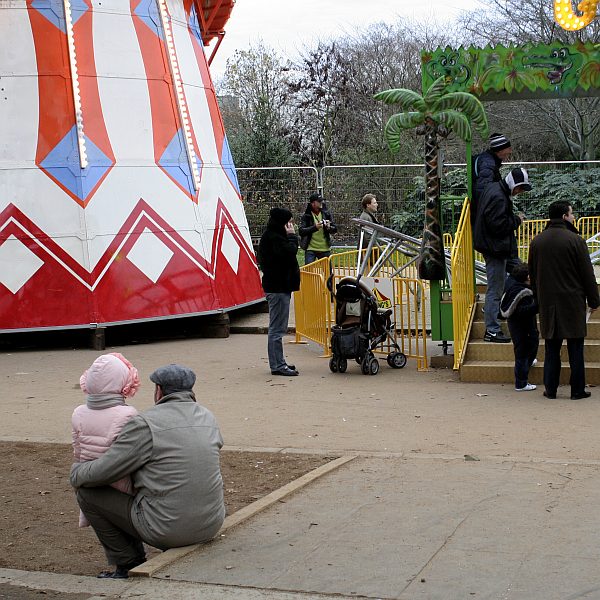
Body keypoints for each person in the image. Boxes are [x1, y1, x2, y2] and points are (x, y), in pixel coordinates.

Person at [70, 364, 225, 579]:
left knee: (88, 493)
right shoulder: (208, 417)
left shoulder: (145, 423)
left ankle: (128, 562)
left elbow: (105, 471)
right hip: (210, 524)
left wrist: (77, 473)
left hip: (168, 530)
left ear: (158, 390)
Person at [528, 201, 600, 400]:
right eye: (572, 213)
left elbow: (533, 276)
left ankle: (550, 389)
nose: (574, 216)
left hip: (548, 304)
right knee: (576, 349)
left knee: (552, 349)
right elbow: (587, 275)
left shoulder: (537, 242)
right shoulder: (576, 241)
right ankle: (577, 390)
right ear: (564, 216)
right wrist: (594, 300)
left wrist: (537, 299)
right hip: (572, 303)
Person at [72, 353, 140, 528]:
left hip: (89, 481)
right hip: (121, 486)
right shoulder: (128, 414)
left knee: (106, 533)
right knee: (125, 533)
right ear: (124, 382)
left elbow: (77, 451)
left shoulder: (78, 413)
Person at [473, 167, 531, 343]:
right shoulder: (499, 196)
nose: (519, 192)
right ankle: (491, 329)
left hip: (499, 247)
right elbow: (498, 225)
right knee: (495, 289)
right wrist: (517, 220)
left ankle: (497, 310)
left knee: (522, 273)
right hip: (496, 249)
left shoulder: (495, 189)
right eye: (520, 188)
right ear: (514, 184)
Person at [258, 207, 300, 376]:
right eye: (288, 222)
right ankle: (277, 365)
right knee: (277, 329)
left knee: (278, 327)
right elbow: (289, 253)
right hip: (277, 288)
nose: (290, 225)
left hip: (280, 286)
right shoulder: (273, 238)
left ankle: (279, 362)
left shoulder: (273, 236)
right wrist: (292, 236)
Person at [500, 263, 539, 392]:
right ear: (528, 277)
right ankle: (521, 383)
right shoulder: (523, 292)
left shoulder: (511, 288)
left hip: (516, 325)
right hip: (524, 327)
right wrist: (537, 306)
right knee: (524, 351)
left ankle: (528, 363)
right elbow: (523, 311)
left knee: (525, 348)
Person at [472, 133, 512, 207]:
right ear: (500, 150)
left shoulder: (487, 160)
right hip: (484, 209)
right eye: (508, 148)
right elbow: (483, 189)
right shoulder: (488, 164)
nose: (510, 151)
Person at [299, 193, 337, 264]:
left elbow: (335, 229)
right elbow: (301, 231)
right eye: (319, 201)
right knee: (309, 272)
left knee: (328, 272)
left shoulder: (326, 214)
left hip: (324, 248)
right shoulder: (306, 216)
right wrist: (315, 227)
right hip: (311, 249)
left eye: (321, 201)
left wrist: (329, 227)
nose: (321, 203)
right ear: (313, 203)